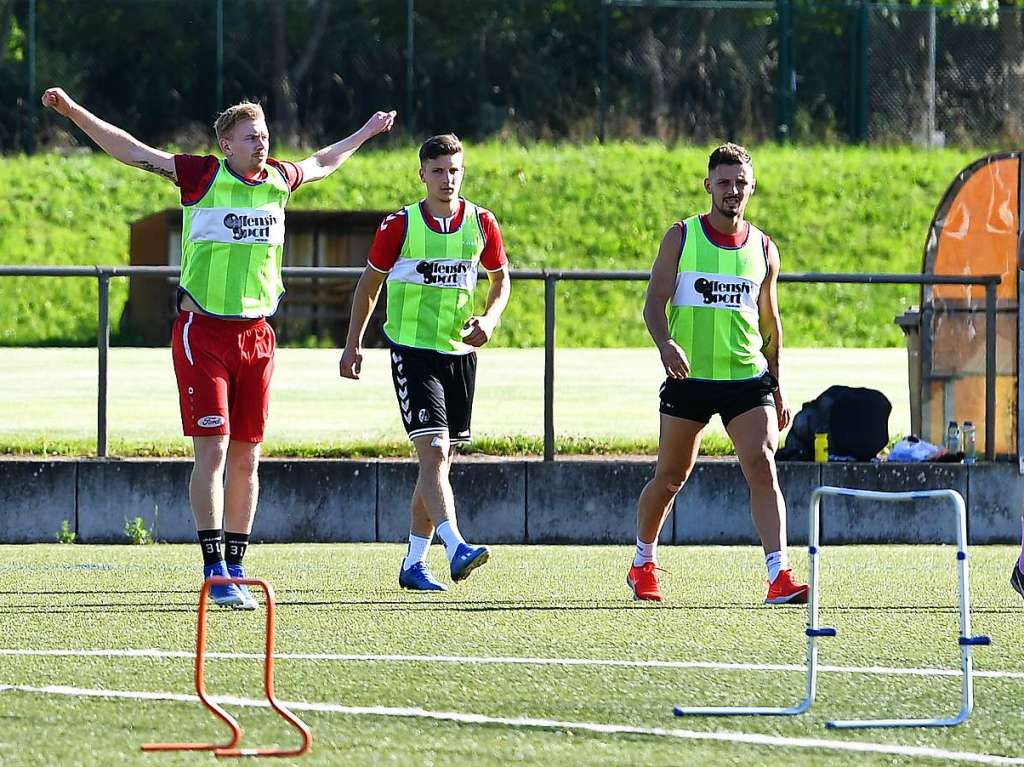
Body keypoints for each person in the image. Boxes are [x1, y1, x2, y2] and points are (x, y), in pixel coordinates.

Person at [42, 87, 395, 608]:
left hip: (257, 337)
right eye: (251, 137)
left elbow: (322, 161)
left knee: (248, 455)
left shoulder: (278, 178)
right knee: (213, 449)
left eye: (265, 136)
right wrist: (72, 113)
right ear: (226, 143)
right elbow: (131, 148)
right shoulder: (201, 175)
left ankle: (236, 564)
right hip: (202, 333)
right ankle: (213, 570)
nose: (262, 143)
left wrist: (365, 132)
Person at [627, 142, 808, 605]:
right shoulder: (682, 237)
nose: (733, 190)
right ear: (709, 185)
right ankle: (643, 561)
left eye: (740, 183)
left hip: (747, 380)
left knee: (763, 465)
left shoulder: (765, 247)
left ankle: (778, 574)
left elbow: (770, 322)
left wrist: (779, 384)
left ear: (752, 187)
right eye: (724, 182)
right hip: (691, 378)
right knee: (670, 476)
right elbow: (652, 304)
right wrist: (666, 344)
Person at [340, 134, 511, 592]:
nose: (447, 179)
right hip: (413, 351)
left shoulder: (481, 222)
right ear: (422, 174)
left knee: (438, 464)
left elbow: (501, 279)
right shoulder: (400, 225)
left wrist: (490, 320)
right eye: (438, 171)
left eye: (454, 170)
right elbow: (369, 286)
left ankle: (414, 563)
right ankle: (456, 546)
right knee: (433, 452)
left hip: (460, 354)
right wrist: (353, 343)